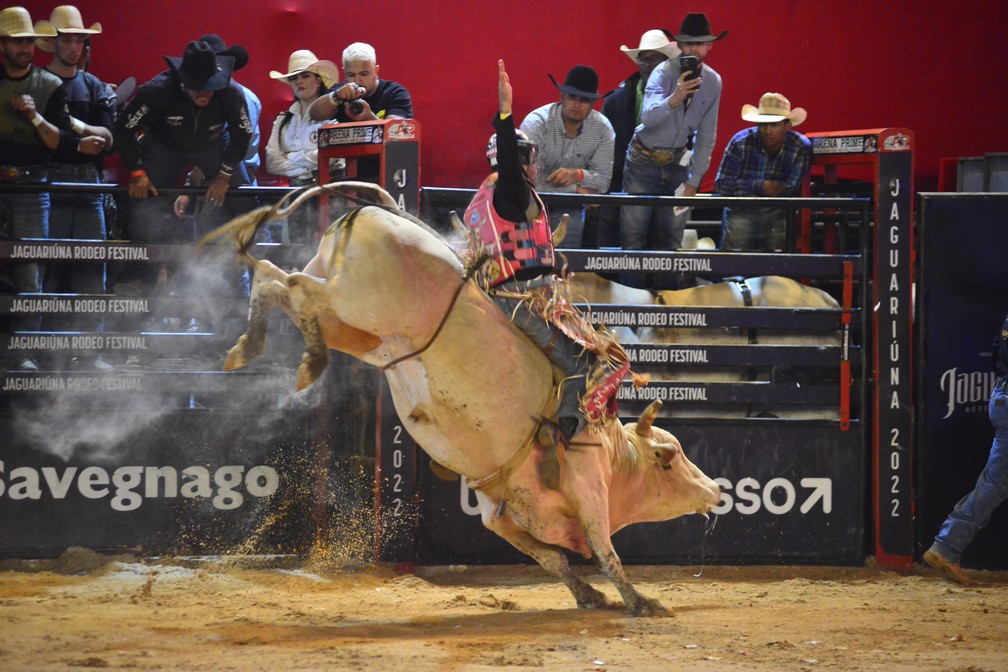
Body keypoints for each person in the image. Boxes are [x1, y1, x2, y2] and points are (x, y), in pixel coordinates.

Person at [464, 60, 629, 487]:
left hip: (524, 293)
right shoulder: (512, 191)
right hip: (521, 299)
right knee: (584, 363)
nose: (536, 166)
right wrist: (505, 113)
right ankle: (565, 446)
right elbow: (509, 154)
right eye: (530, 160)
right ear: (521, 163)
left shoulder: (487, 199)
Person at [620, 12, 727, 285]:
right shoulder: (663, 72)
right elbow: (648, 118)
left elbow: (707, 135)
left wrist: (694, 181)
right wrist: (676, 96)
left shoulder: (713, 82)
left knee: (671, 241)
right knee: (633, 239)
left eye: (699, 43)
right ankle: (630, 309)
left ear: (709, 46)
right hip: (643, 161)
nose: (693, 48)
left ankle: (664, 311)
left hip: (679, 164)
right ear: (679, 45)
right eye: (688, 43)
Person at [35, 6, 114, 362]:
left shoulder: (93, 85)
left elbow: (109, 138)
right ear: (54, 42)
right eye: (68, 39)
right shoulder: (36, 82)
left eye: (80, 40)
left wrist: (76, 129)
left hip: (87, 185)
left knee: (91, 269)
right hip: (47, 183)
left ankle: (89, 351)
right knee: (42, 270)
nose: (74, 46)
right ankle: (37, 348)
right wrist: (80, 139)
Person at [0, 7, 73, 371]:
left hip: (32, 182)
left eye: (29, 40)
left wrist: (33, 115)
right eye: (17, 41)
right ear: (4, 44)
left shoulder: (50, 85)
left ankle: (23, 351)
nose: (25, 47)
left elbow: (58, 143)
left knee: (31, 269)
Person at [924, 311, 1008, 586]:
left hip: (1002, 396)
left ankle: (947, 546)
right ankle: (947, 546)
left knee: (995, 484)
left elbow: (998, 350)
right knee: (994, 484)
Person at [598, 29, 678, 249]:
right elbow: (602, 146)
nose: (649, 64)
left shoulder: (681, 98)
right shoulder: (616, 100)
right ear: (637, 62)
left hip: (667, 181)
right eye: (644, 58)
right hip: (620, 181)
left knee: (664, 244)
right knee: (624, 246)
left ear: (667, 62)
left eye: (656, 59)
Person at [519, 64, 614, 248]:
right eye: (572, 97)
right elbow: (532, 183)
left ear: (593, 103)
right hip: (528, 204)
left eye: (584, 99)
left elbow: (603, 182)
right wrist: (577, 189)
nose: (576, 104)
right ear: (562, 97)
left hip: (570, 207)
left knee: (567, 259)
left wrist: (577, 174)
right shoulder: (536, 124)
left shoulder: (603, 129)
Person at [715, 92, 812, 251]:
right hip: (743, 210)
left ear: (787, 125)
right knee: (733, 265)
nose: (767, 130)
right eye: (763, 124)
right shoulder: (740, 142)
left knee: (774, 266)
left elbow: (793, 188)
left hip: (777, 213)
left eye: (774, 125)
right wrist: (760, 186)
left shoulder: (800, 147)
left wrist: (753, 188)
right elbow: (722, 185)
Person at [266, 49, 340, 243]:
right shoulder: (284, 119)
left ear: (319, 80)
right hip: (294, 195)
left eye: (305, 76)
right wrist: (312, 159)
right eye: (294, 78)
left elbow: (334, 157)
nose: (299, 82)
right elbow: (271, 161)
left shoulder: (335, 114)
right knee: (294, 252)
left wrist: (291, 157)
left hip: (328, 195)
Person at [308, 42, 411, 180]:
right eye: (351, 75)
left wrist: (368, 116)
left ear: (376, 71)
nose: (358, 80)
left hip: (389, 175)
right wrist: (336, 96)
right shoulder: (342, 91)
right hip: (352, 177)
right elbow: (314, 113)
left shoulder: (395, 93)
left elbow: (397, 137)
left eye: (364, 74)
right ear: (344, 73)